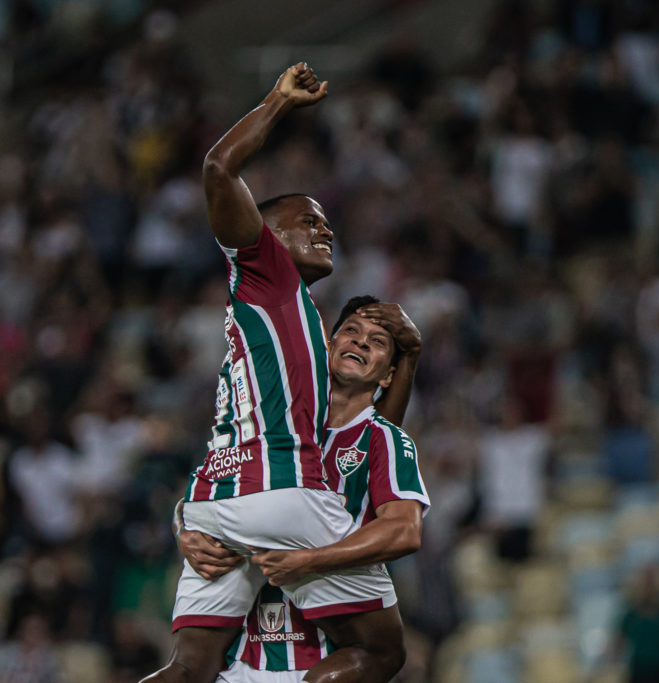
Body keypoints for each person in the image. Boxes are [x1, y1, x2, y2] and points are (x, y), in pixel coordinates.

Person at [143, 63, 368, 683]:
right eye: (308, 218)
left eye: (328, 220)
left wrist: (185, 521)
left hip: (221, 496)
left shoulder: (296, 329)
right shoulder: (266, 271)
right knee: (380, 653)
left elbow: (229, 441)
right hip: (287, 492)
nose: (326, 228)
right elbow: (219, 169)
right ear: (265, 231)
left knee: (188, 670)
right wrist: (277, 100)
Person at [178, 296, 428, 682]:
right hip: (245, 659)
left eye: (377, 341)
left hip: (327, 659)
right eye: (351, 331)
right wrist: (183, 531)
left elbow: (405, 530)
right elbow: (210, 493)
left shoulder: (385, 440)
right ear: (325, 350)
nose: (361, 342)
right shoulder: (270, 426)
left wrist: (308, 561)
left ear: (388, 376)